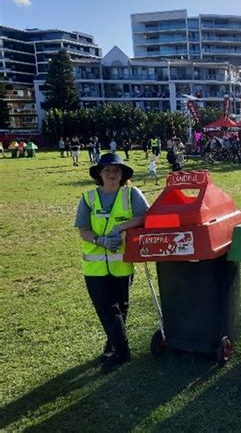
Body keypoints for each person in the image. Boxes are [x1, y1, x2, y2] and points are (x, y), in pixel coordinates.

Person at [74, 153, 149, 373]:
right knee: (106, 307)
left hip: (122, 263)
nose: (112, 174)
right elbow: (83, 230)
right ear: (99, 173)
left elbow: (144, 216)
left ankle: (112, 345)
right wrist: (101, 241)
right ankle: (123, 351)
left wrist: (120, 229)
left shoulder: (131, 194)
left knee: (121, 307)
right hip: (95, 266)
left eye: (116, 170)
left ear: (123, 174)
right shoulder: (88, 198)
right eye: (107, 170)